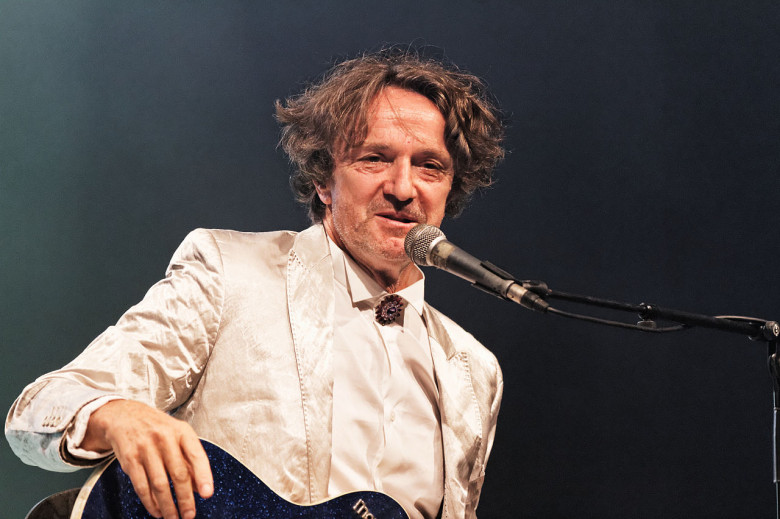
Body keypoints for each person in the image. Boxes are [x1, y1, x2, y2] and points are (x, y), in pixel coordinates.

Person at [6, 49, 505, 519]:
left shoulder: (474, 369)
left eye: (429, 166)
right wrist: (117, 415)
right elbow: (40, 407)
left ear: (451, 187)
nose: (402, 188)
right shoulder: (230, 273)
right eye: (374, 158)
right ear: (323, 179)